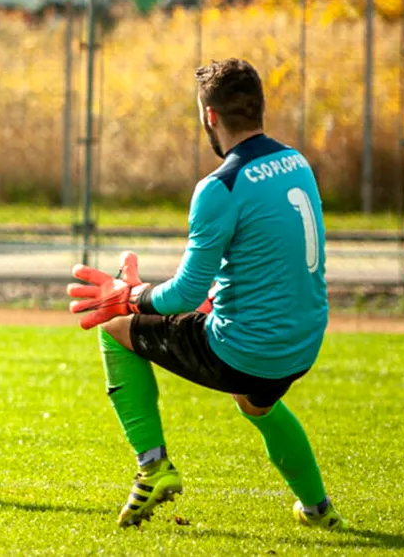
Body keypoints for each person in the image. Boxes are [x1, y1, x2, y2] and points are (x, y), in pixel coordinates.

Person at [67, 58, 346, 530]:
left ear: (210, 117)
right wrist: (213, 298)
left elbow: (182, 294)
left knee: (114, 327)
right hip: (304, 341)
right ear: (259, 109)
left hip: (246, 351)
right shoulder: (296, 163)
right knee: (256, 404)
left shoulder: (220, 186)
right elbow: (268, 260)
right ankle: (317, 508)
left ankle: (152, 467)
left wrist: (131, 296)